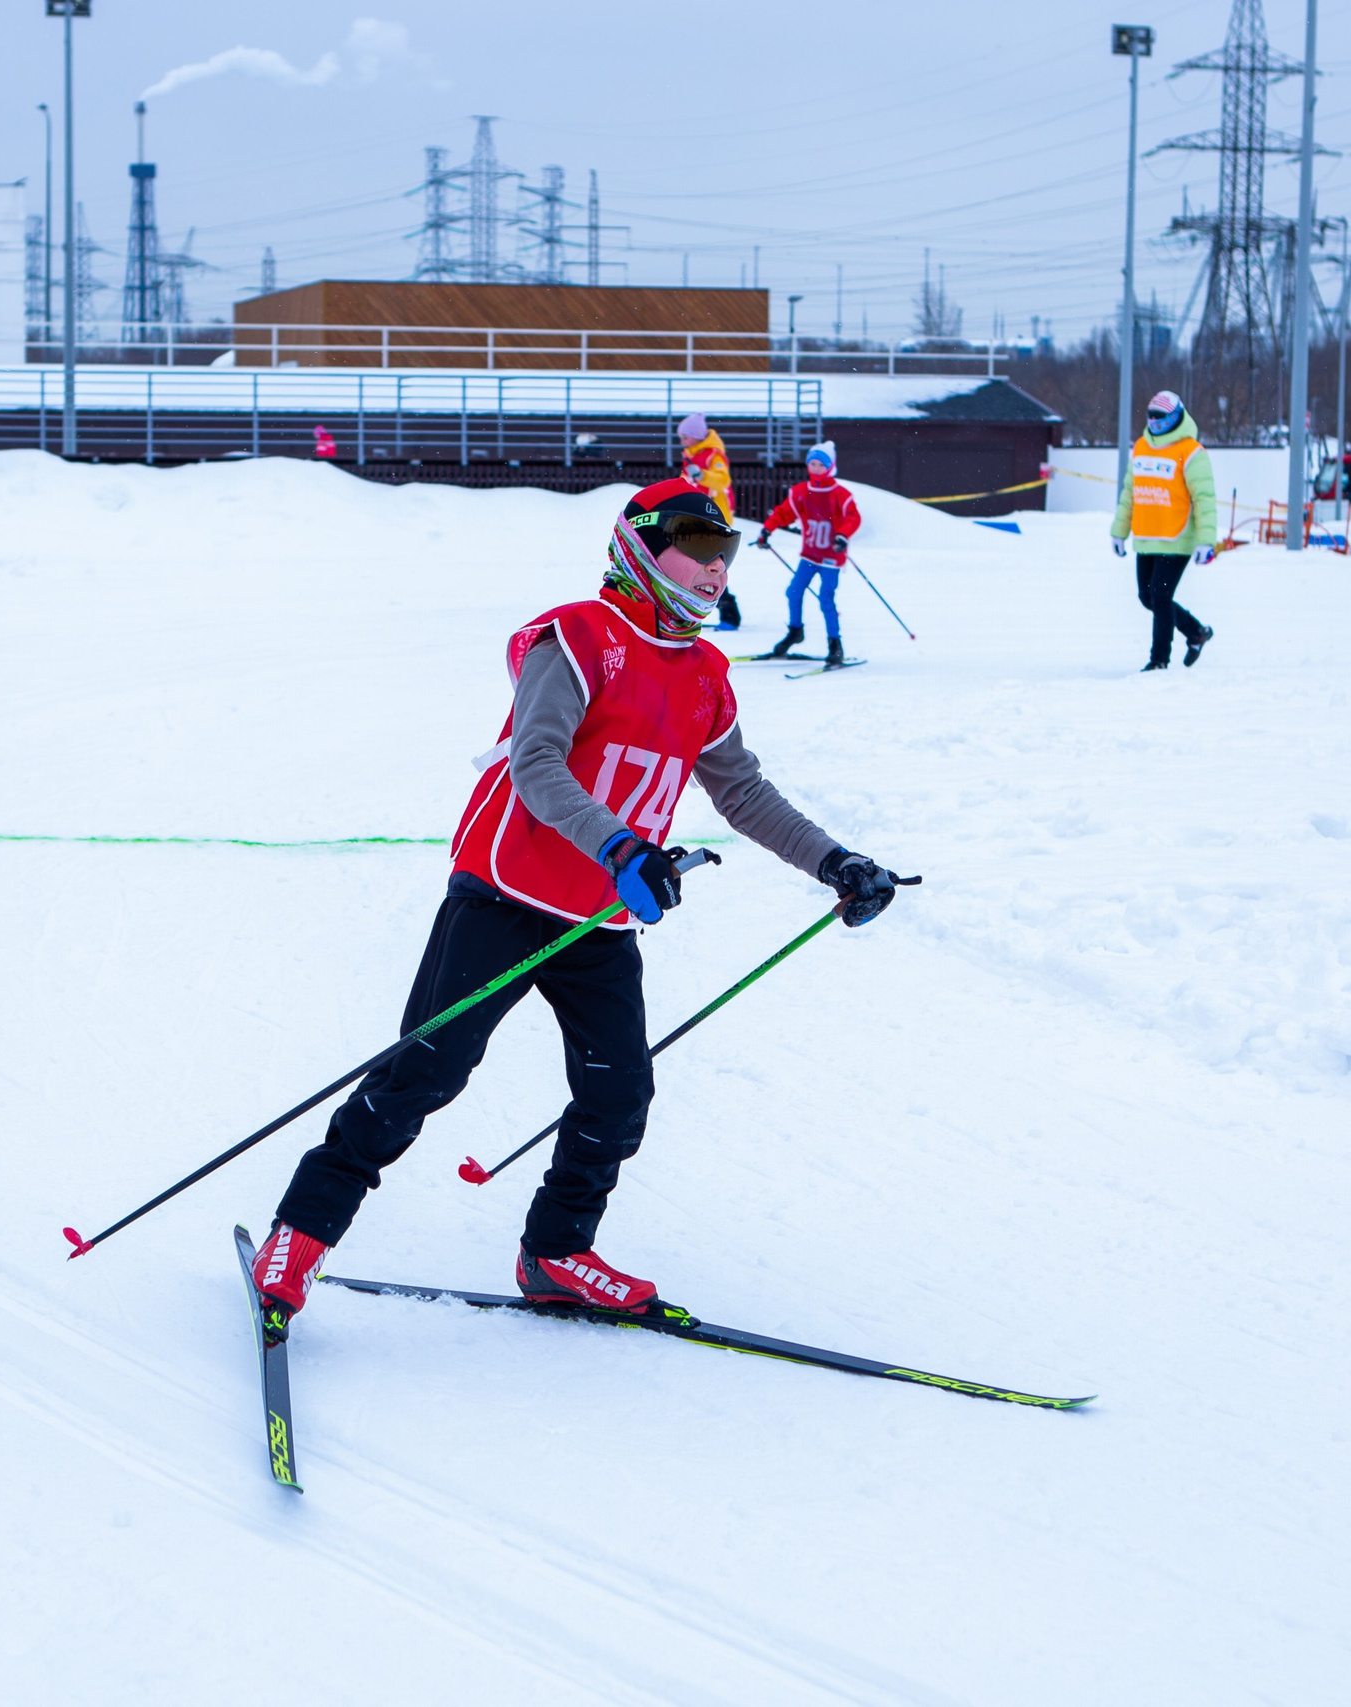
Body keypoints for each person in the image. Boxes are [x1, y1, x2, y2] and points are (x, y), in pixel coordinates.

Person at [247, 478, 909, 1332]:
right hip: (508, 891)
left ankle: (556, 1252)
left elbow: (741, 793)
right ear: (641, 546)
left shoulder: (705, 674)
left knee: (619, 1090)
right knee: (426, 1071)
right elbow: (538, 765)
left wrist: (835, 862)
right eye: (696, 548)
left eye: (725, 553)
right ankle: (297, 1238)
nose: (714, 569)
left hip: (601, 914)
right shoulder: (582, 637)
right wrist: (622, 846)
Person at [1110, 390, 1217, 672]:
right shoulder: (1141, 448)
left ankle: (1159, 660)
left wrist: (1206, 541)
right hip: (1146, 535)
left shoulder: (1191, 452)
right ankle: (1196, 632)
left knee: (1159, 595)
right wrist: (1119, 531)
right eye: (1151, 418)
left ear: (1176, 417)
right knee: (1148, 597)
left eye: (1162, 418)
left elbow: (1204, 499)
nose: (1155, 423)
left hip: (1177, 537)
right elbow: (1129, 493)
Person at [754, 441, 862, 666]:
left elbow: (853, 517)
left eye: (820, 464)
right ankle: (795, 631)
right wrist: (767, 529)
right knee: (793, 591)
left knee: (826, 599)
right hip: (810, 554)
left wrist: (842, 535)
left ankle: (835, 644)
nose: (815, 468)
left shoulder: (840, 494)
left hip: (831, 557)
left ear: (830, 467)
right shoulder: (801, 492)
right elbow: (784, 513)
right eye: (811, 463)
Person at [678, 413, 743, 630]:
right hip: (695, 517)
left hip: (715, 518)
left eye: (685, 437)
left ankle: (730, 614)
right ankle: (688, 611)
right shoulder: (690, 456)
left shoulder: (713, 456)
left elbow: (722, 479)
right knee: (693, 566)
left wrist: (703, 475)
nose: (682, 441)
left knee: (713, 566)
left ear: (696, 436)